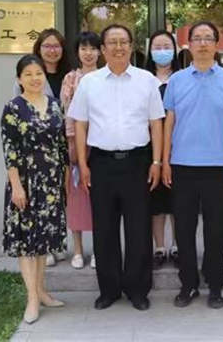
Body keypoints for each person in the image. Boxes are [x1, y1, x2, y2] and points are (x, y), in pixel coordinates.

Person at [68, 24, 165, 311]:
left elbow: (156, 124)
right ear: (103, 48)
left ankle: (137, 290)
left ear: (132, 46)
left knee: (138, 230)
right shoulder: (89, 82)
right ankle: (108, 290)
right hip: (101, 164)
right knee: (105, 229)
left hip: (138, 163)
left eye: (123, 42)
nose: (118, 47)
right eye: (112, 42)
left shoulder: (146, 80)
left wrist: (157, 162)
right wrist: (83, 164)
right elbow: (80, 124)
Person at [162, 21, 223, 309]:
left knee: (215, 230)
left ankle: (216, 284)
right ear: (189, 45)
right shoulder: (176, 80)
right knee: (184, 231)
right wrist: (165, 162)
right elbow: (168, 123)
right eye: (197, 38)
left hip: (217, 167)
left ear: (217, 44)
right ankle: (188, 285)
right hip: (182, 166)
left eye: (208, 38)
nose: (203, 43)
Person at [1, 54, 69, 324]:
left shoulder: (55, 105)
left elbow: (61, 146)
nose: (34, 78)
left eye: (38, 73)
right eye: (28, 74)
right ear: (19, 79)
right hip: (26, 184)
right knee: (27, 243)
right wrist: (17, 186)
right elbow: (10, 151)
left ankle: (42, 291)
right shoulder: (13, 108)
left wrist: (64, 180)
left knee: (42, 242)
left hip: (51, 183)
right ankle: (32, 298)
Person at [60, 31, 101, 269]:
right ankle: (77, 250)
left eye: (93, 48)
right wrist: (73, 146)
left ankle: (97, 250)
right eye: (84, 48)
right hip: (76, 144)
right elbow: (67, 111)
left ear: (100, 51)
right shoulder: (70, 79)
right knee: (76, 199)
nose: (88, 53)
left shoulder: (106, 76)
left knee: (98, 201)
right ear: (77, 52)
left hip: (100, 144)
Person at [145, 30, 181, 269]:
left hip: (179, 148)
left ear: (175, 50)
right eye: (157, 47)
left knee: (178, 201)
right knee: (155, 201)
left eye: (166, 46)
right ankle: (159, 247)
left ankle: (177, 246)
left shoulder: (183, 77)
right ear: (150, 51)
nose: (162, 51)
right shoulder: (143, 78)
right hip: (149, 149)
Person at [12, 28, 70, 100]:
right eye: (47, 46)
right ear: (39, 49)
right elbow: (16, 102)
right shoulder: (28, 75)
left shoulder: (71, 76)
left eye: (56, 46)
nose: (52, 50)